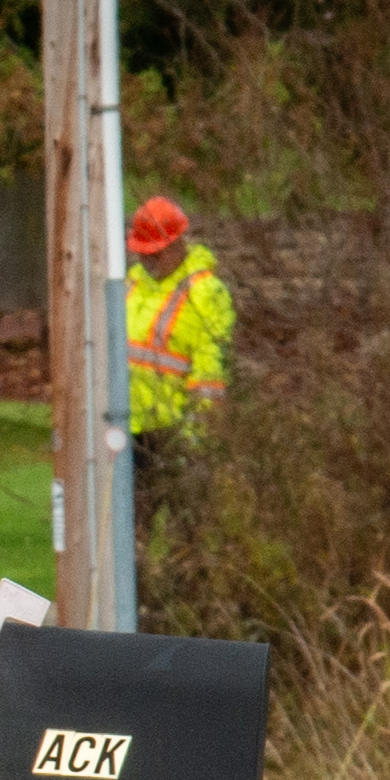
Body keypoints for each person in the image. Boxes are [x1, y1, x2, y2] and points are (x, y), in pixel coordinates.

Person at [119, 195, 233, 590]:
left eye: (155, 254)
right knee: (126, 540)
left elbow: (209, 379)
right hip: (127, 432)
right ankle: (135, 610)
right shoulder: (131, 286)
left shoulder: (206, 293)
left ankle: (186, 610)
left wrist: (195, 441)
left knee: (189, 539)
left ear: (177, 244)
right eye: (143, 254)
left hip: (174, 435)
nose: (148, 262)